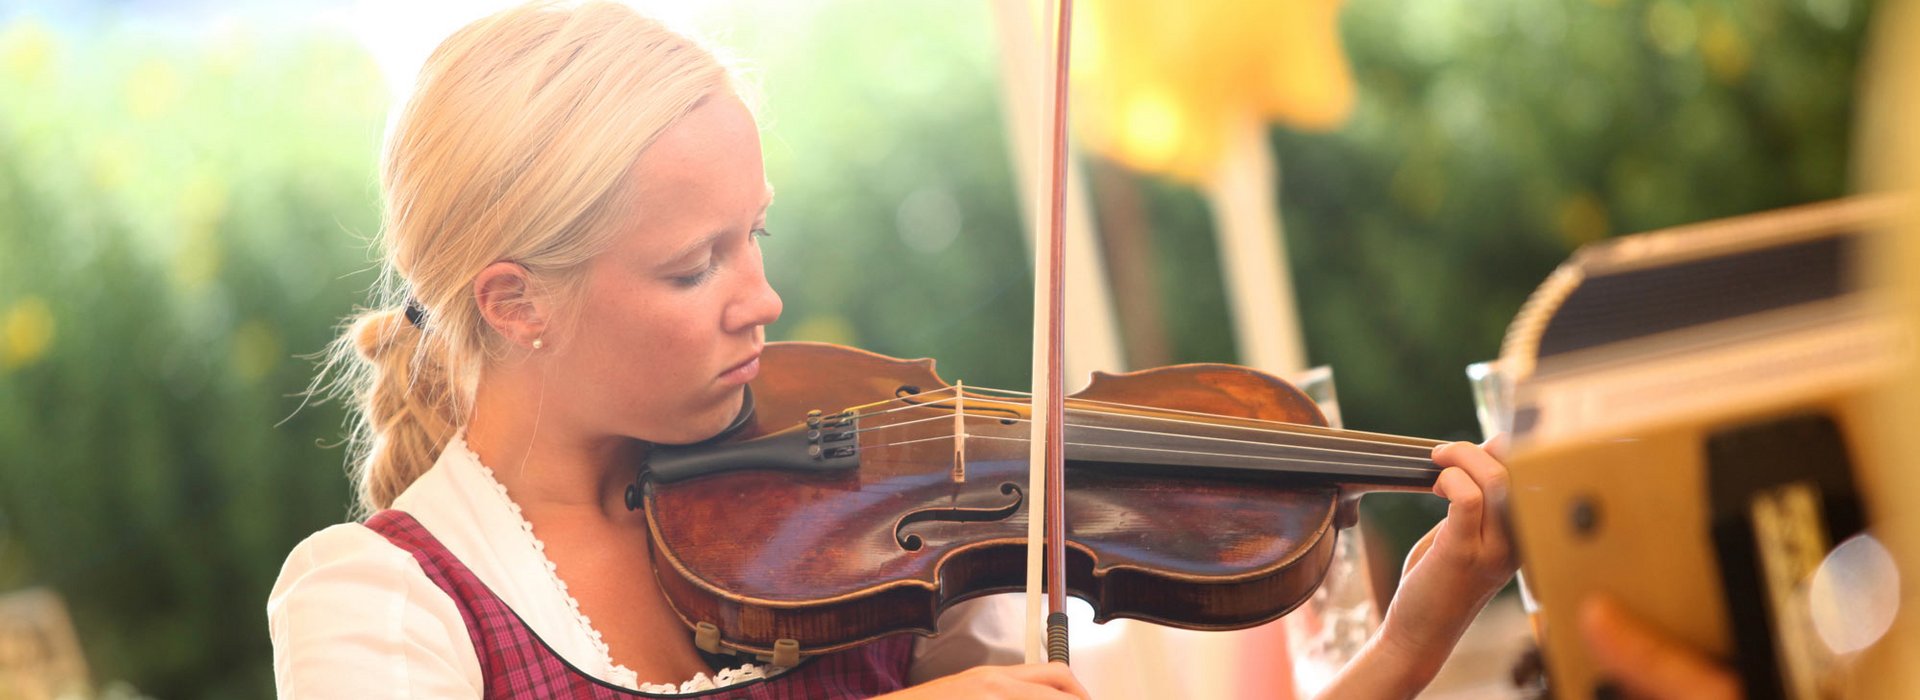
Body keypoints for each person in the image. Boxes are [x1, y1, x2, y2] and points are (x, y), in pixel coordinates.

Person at [267, 3, 1516, 697]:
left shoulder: (842, 527)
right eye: (693, 265)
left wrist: (1412, 641)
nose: (763, 297)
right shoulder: (378, 603)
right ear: (515, 301)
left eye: (753, 236)